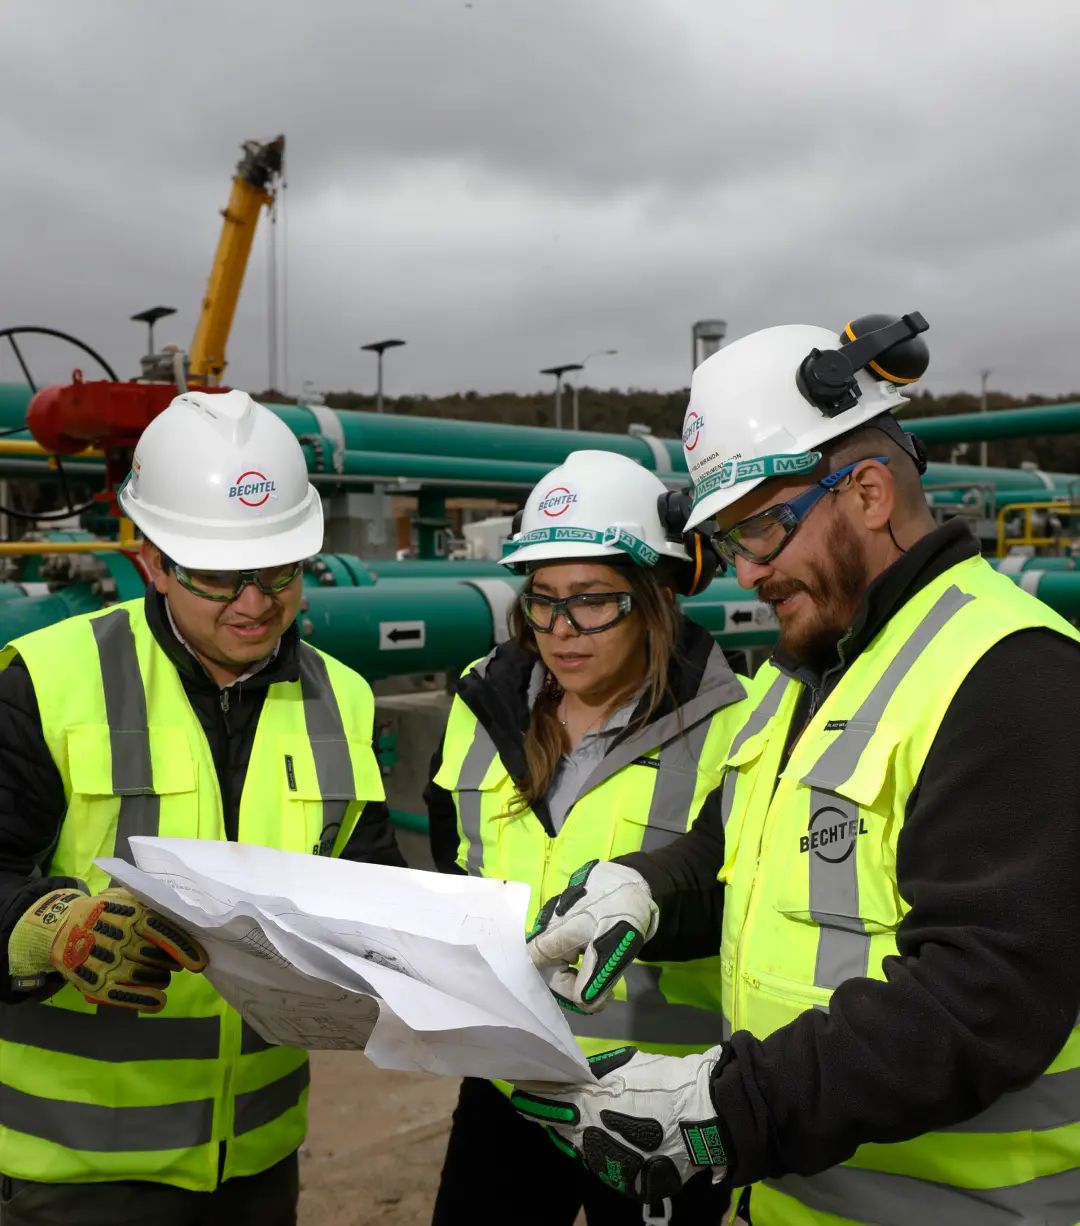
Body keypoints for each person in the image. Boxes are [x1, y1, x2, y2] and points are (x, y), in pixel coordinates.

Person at [513, 315, 1080, 1225]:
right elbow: (733, 854)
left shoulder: (1010, 673)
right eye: (732, 544)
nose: (747, 574)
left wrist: (729, 1108)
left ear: (865, 493)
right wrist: (646, 890)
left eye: (762, 532)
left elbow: (988, 990)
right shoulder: (804, 678)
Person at [0, 390, 404, 1226]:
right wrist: (46, 926)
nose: (255, 604)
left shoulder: (346, 699)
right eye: (219, 577)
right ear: (151, 559)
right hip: (73, 1174)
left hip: (257, 1159)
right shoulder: (46, 681)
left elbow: (372, 885)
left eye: (280, 571)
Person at [425, 449, 749, 1225]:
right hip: (508, 1078)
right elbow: (452, 862)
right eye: (543, 600)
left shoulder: (742, 724)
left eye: (594, 602)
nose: (562, 631)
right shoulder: (482, 706)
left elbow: (735, 899)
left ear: (656, 598)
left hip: (659, 1097)